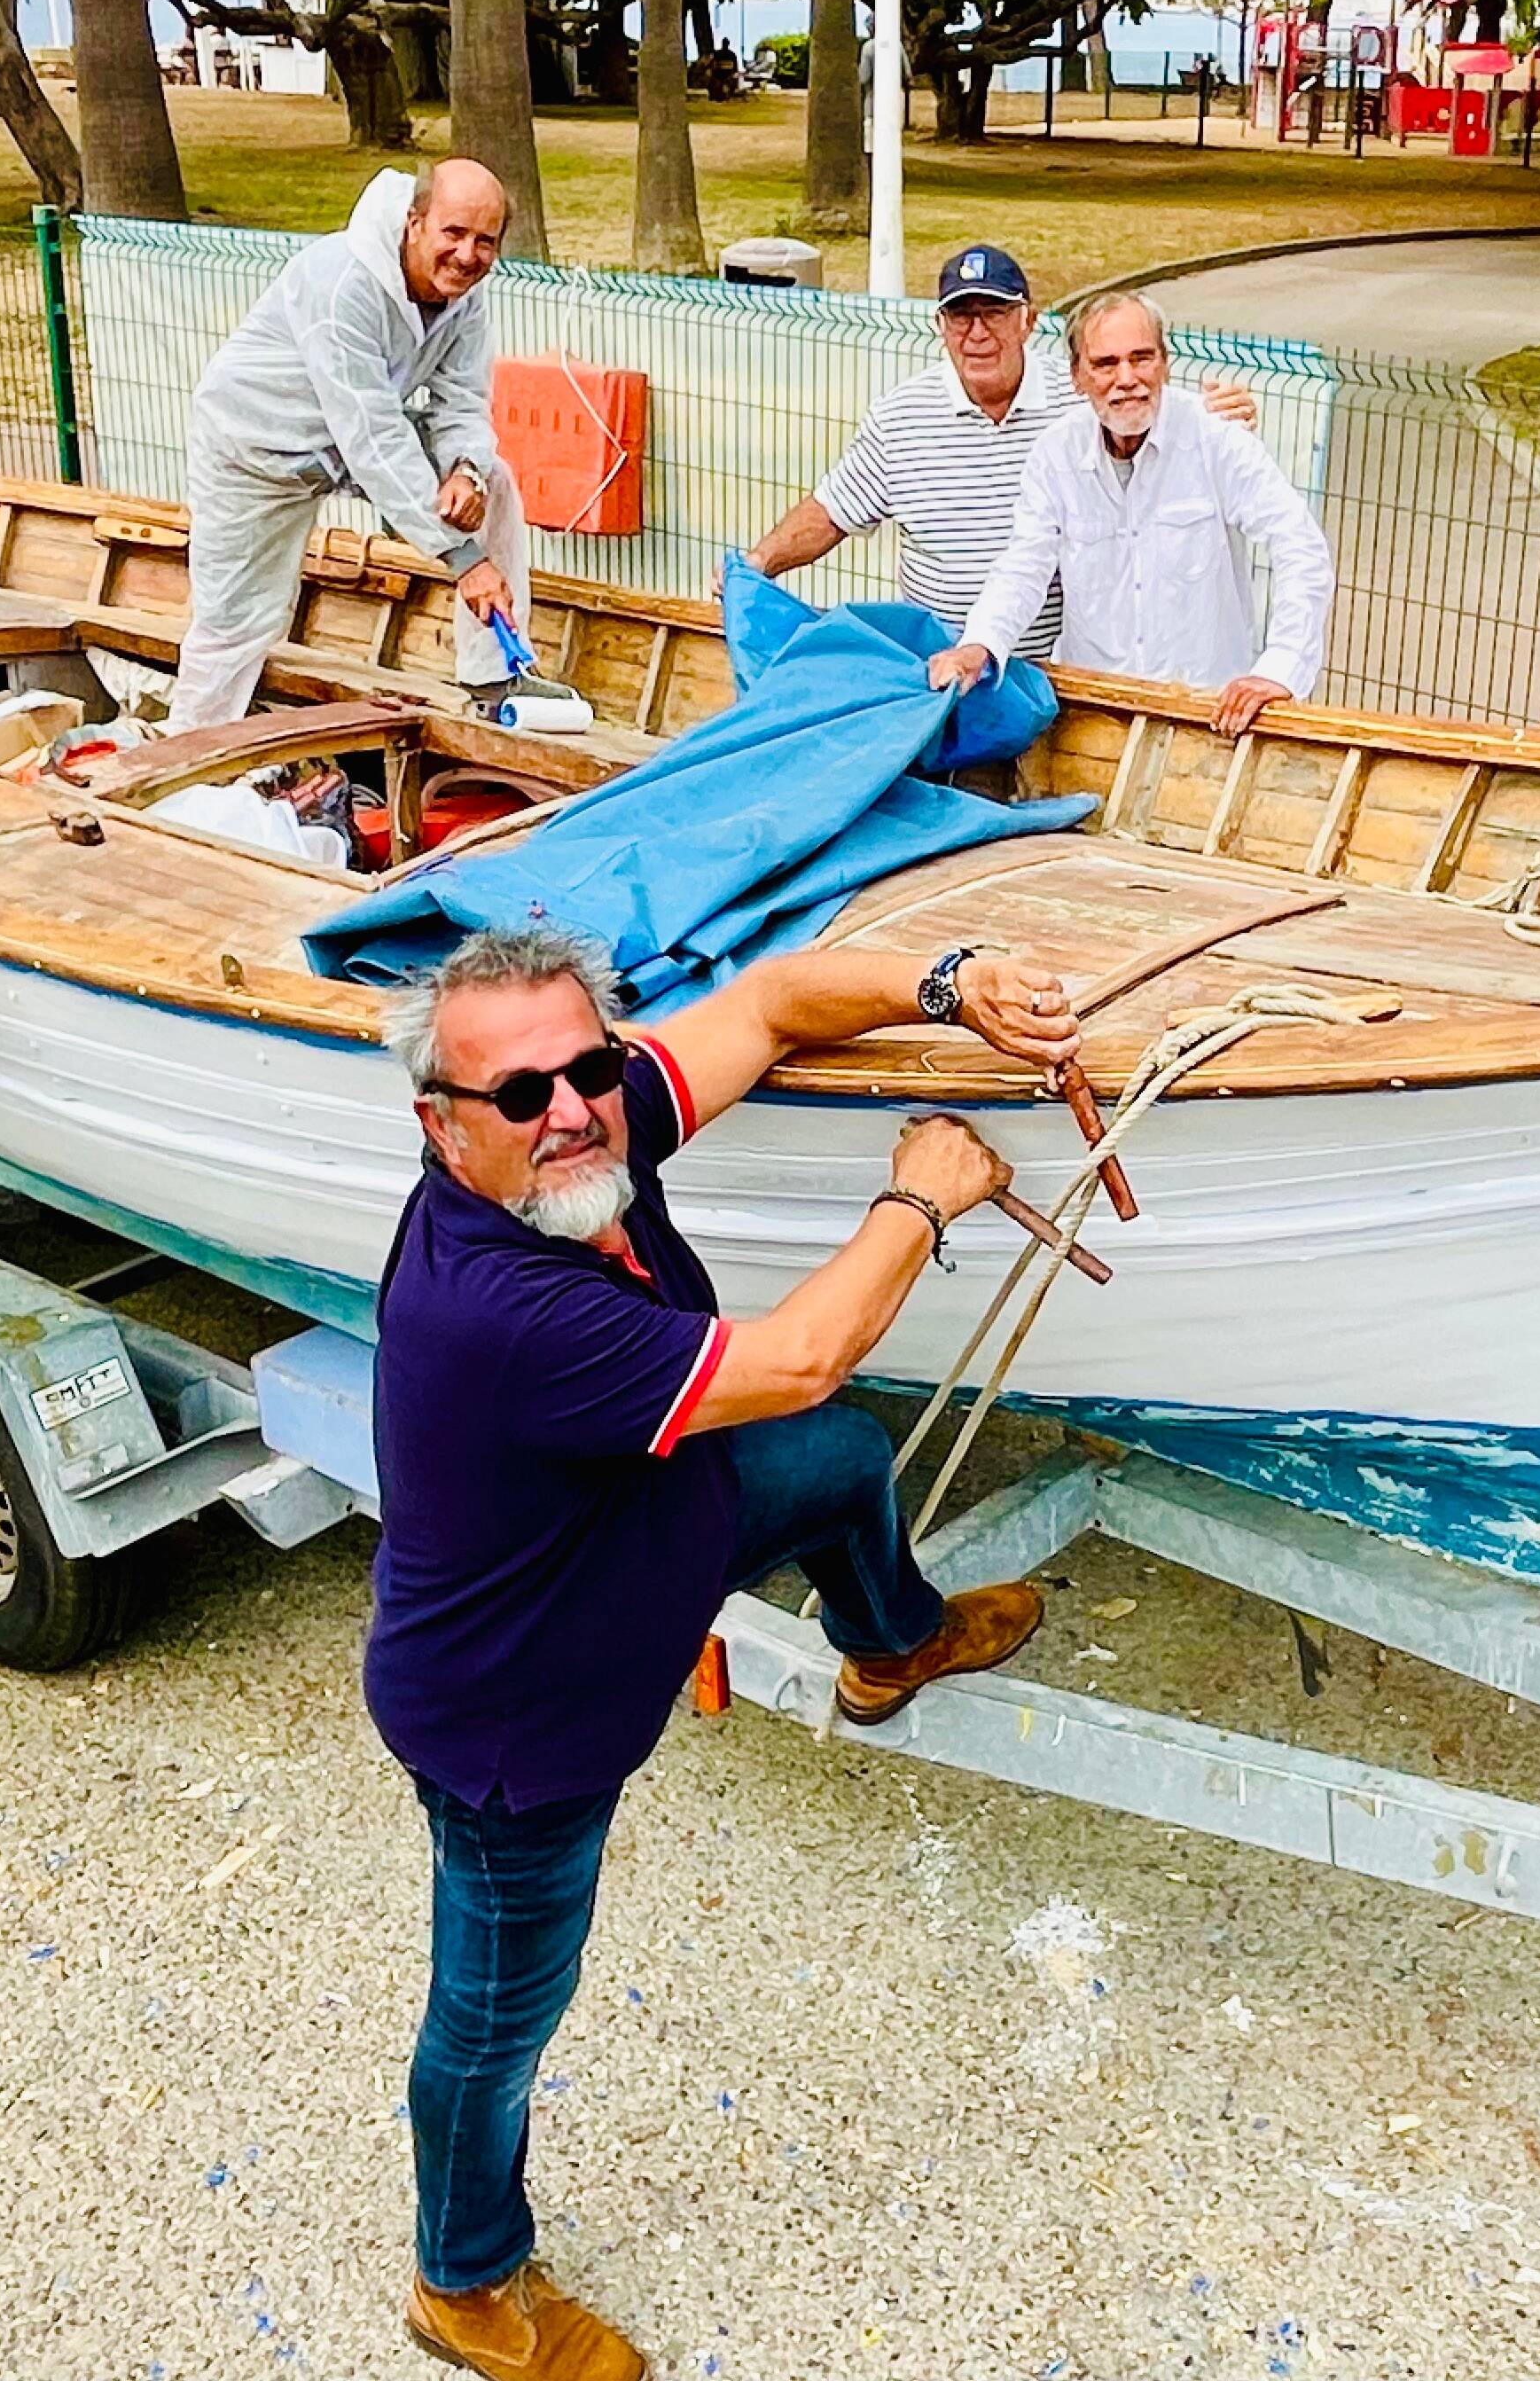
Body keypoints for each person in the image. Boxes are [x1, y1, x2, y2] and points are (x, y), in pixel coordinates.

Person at [371, 922, 1070, 2378]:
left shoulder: (580, 1144)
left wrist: (952, 985)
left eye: (590, 1066)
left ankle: (890, 1641)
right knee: (496, 2015)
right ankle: (463, 2275)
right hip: (522, 1709)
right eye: (517, 1092)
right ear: (441, 1123)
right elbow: (798, 1349)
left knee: (828, 1459)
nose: (567, 1107)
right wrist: (918, 1196)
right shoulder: (501, 1303)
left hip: (653, 1525)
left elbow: (763, 1002)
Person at [743, 243, 1253, 660]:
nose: (978, 333)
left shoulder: (1080, 397)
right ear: (941, 328)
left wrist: (1225, 414)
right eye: (961, 316)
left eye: (994, 312)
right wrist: (757, 565)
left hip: (1060, 672)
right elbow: (833, 512)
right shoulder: (900, 417)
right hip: (945, 672)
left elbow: (1150, 407)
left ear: (1027, 321)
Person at [168, 159, 531, 735]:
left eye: (485, 241)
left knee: (497, 484)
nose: (468, 256)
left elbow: (461, 399)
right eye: (454, 233)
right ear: (415, 222)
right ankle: (186, 760)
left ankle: (493, 683)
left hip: (350, 438)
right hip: (256, 448)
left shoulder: (465, 295)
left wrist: (466, 471)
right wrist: (463, 559)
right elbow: (371, 433)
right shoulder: (343, 284)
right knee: (237, 623)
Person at [928, 290, 1333, 737]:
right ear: (1077, 377)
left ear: (1166, 363)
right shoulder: (1056, 453)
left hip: (1209, 714)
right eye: (1105, 364)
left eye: (1142, 358)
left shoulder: (1216, 440)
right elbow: (1025, 565)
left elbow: (1300, 546)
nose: (1127, 379)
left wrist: (1279, 669)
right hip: (1096, 714)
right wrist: (979, 645)